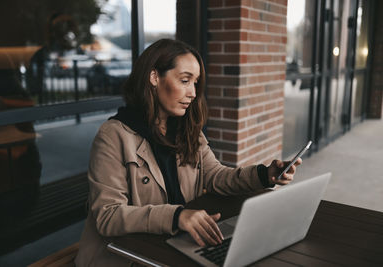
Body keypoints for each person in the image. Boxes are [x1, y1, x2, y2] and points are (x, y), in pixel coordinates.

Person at [75, 39, 302, 266]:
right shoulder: (113, 135)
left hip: (171, 246)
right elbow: (108, 216)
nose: (193, 93)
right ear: (154, 77)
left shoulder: (186, 130)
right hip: (125, 257)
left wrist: (264, 174)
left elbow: (216, 176)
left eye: (195, 83)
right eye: (185, 81)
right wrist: (176, 216)